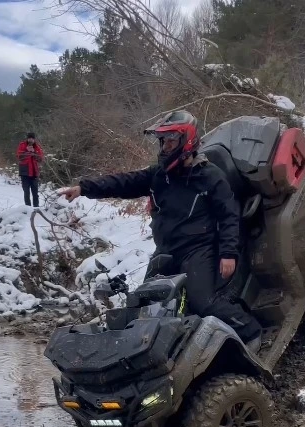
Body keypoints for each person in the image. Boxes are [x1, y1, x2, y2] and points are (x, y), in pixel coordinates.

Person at [58, 110, 262, 352]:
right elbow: (122, 182)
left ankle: (251, 332)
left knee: (203, 302)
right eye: (163, 141)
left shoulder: (209, 176)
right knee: (144, 304)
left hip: (198, 249)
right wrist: (84, 188)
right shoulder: (159, 175)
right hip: (166, 250)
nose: (165, 147)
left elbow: (230, 216)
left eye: (171, 141)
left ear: (186, 142)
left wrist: (228, 253)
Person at [17, 132, 44, 207]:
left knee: (35, 193)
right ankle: (27, 208)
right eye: (29, 138)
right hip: (25, 173)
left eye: (32, 138)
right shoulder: (22, 145)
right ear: (27, 138)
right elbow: (19, 156)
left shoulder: (37, 147)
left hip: (34, 173)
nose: (31, 140)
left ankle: (36, 208)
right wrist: (27, 151)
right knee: (26, 192)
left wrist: (34, 152)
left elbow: (40, 159)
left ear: (34, 139)